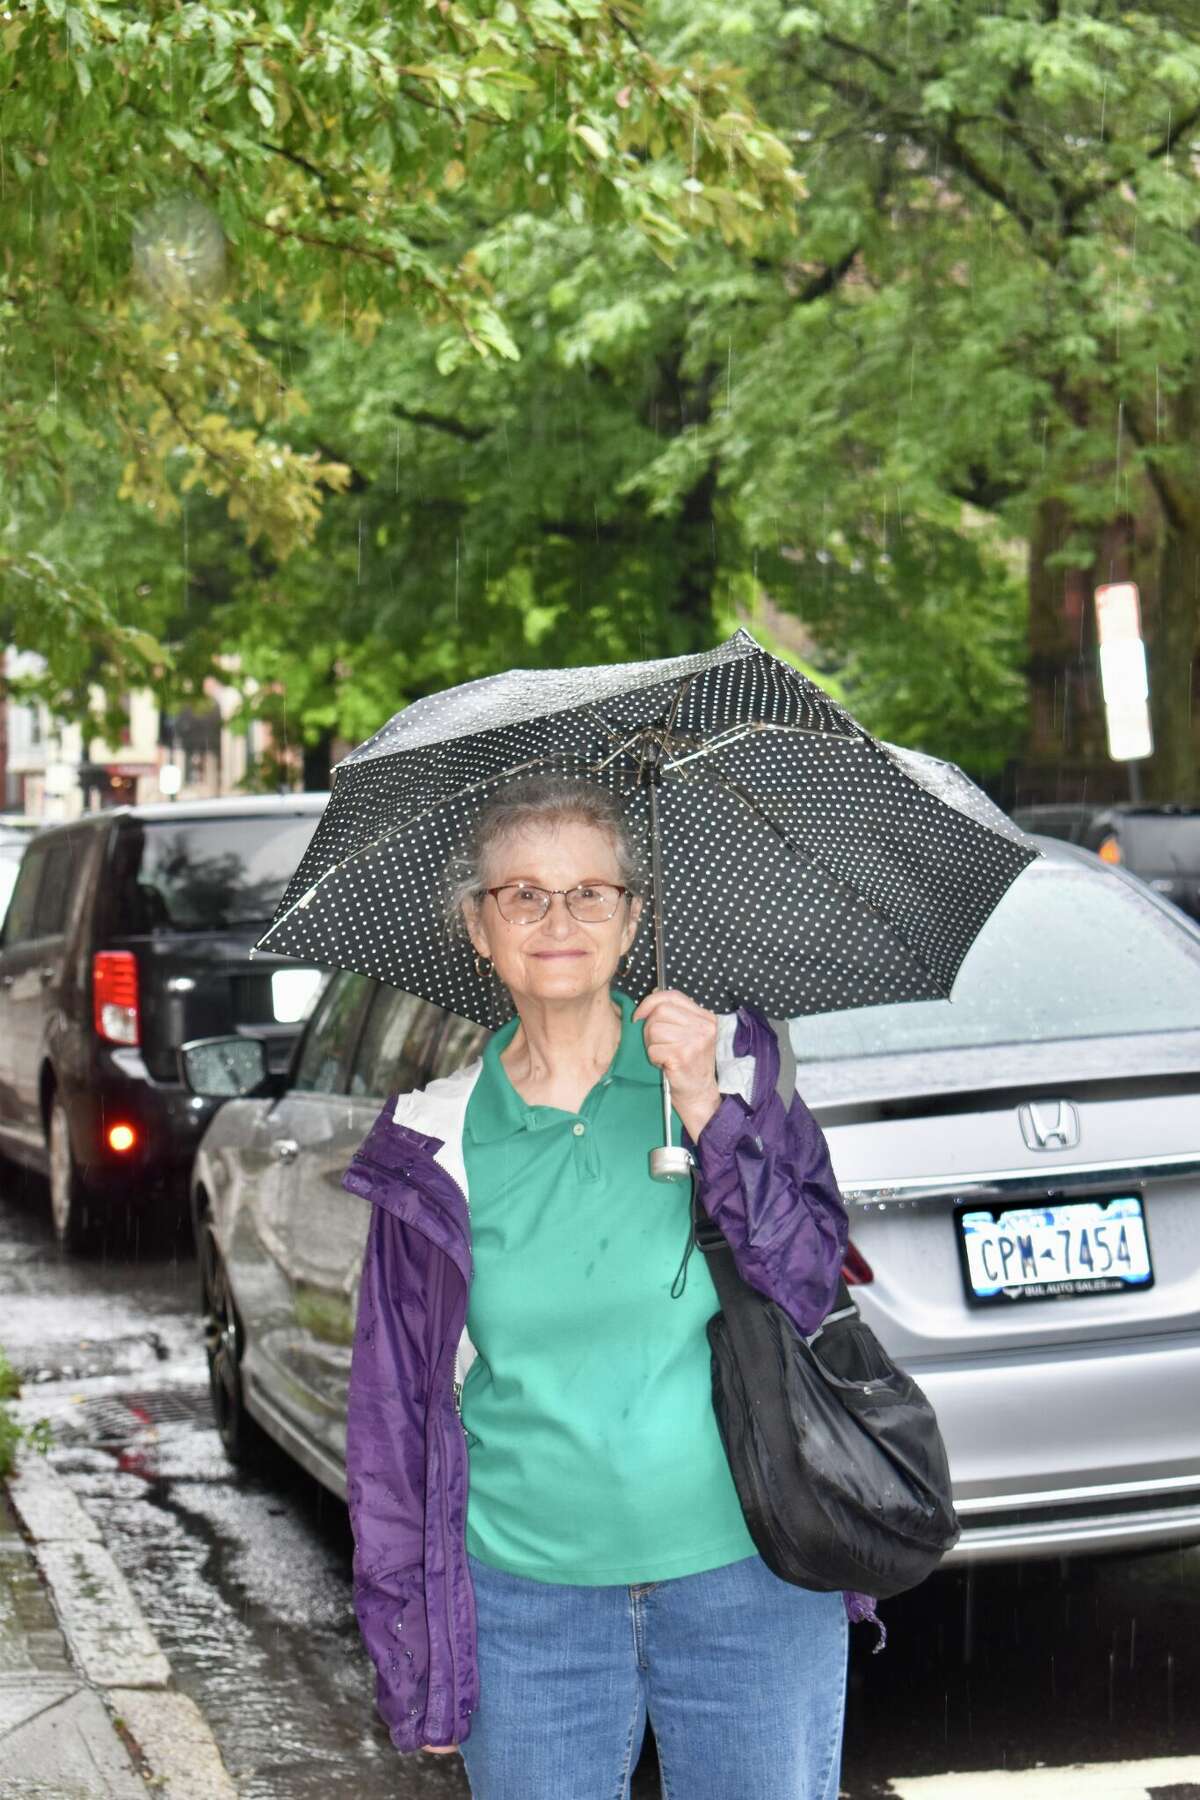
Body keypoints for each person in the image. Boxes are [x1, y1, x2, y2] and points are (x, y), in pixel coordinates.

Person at [341, 776, 852, 1800]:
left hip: (748, 1580)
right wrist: (415, 1651)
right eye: (522, 895)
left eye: (590, 894)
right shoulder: (432, 1142)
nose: (558, 919)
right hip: (527, 1609)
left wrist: (708, 1111)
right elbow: (389, 1424)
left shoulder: (728, 1081)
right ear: (478, 931)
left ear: (633, 922)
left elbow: (809, 1285)